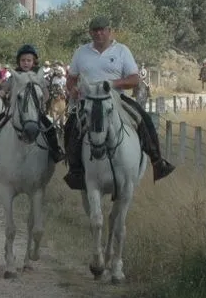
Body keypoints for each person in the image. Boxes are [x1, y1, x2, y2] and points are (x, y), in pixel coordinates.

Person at [63, 17, 175, 190]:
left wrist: (112, 84)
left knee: (142, 118)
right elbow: (71, 79)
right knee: (71, 126)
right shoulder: (81, 52)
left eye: (102, 30)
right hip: (88, 100)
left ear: (109, 31)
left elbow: (134, 79)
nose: (98, 33)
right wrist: (72, 90)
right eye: (95, 30)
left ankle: (157, 161)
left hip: (115, 98)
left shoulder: (122, 50)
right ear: (90, 32)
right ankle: (75, 170)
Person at [0, 44, 65, 163]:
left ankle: (55, 151)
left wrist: (40, 102)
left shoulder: (38, 76)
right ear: (19, 61)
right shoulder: (14, 75)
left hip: (35, 112)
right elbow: (5, 88)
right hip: (14, 111)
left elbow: (46, 94)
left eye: (28, 60)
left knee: (49, 128)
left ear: (34, 61)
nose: (26, 63)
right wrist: (3, 93)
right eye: (23, 60)